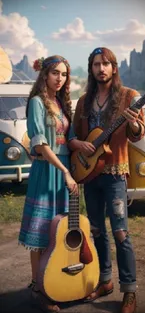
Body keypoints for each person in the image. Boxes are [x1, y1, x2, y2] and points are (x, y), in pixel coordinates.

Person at [69, 47, 145, 313]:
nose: (101, 69)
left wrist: (134, 123)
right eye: (95, 64)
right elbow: (75, 137)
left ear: (114, 67)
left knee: (121, 232)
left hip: (115, 174)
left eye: (105, 64)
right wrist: (79, 146)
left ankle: (130, 291)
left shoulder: (129, 97)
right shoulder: (83, 101)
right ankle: (105, 281)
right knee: (97, 231)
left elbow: (137, 134)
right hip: (89, 175)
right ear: (90, 69)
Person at [18, 55, 78, 312]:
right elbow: (40, 145)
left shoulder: (61, 104)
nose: (60, 78)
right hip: (48, 172)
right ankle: (37, 287)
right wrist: (65, 170)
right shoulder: (37, 103)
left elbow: (70, 139)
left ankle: (55, 282)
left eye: (64, 74)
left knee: (61, 233)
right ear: (44, 74)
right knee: (42, 233)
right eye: (55, 72)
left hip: (65, 175)